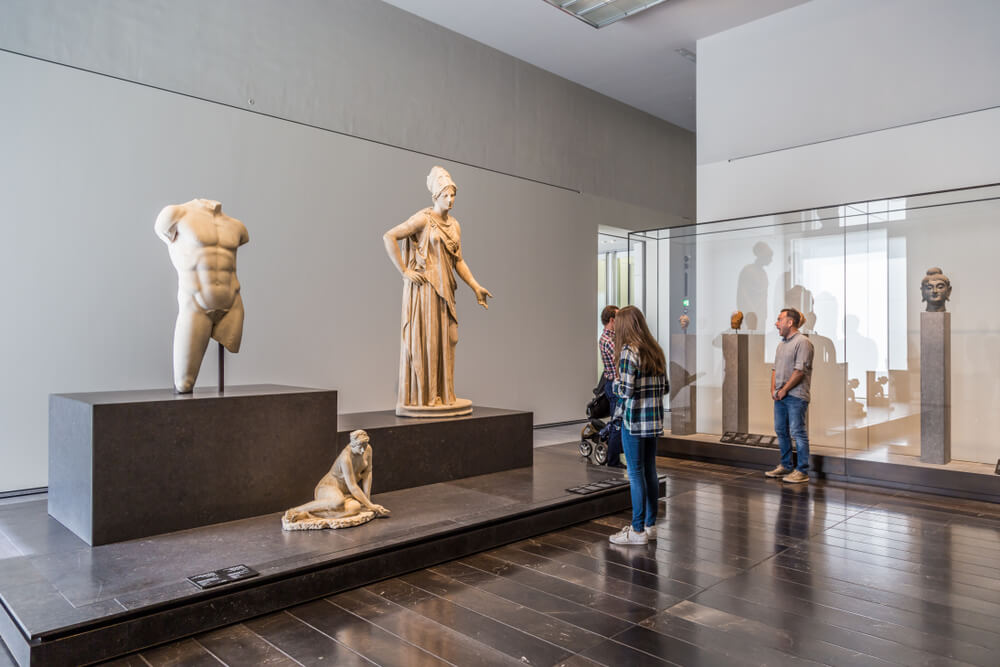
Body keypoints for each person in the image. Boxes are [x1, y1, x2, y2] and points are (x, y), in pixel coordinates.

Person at [383, 167, 493, 417]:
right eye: (446, 195)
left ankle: (443, 395)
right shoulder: (424, 219)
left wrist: (475, 286)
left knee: (449, 340)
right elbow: (389, 236)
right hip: (425, 293)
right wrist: (404, 271)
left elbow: (459, 261)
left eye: (453, 195)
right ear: (436, 195)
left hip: (446, 292)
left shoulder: (454, 226)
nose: (451, 200)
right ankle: (428, 397)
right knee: (428, 343)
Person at [155, 199, 249, 393]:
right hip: (196, 303)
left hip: (232, 303)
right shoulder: (175, 215)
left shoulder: (237, 226)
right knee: (184, 384)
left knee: (187, 384)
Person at [608, 306, 668, 545]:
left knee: (635, 474)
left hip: (633, 421)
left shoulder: (627, 351)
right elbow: (665, 388)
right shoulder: (656, 351)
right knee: (650, 470)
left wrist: (615, 384)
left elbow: (625, 390)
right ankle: (650, 525)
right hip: (654, 421)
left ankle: (637, 530)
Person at [282, 430, 390, 530]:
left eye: (365, 445)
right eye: (359, 446)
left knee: (355, 508)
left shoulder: (368, 449)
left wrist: (367, 501)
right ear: (352, 445)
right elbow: (352, 486)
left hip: (345, 493)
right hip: (328, 488)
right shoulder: (345, 457)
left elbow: (367, 473)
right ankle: (296, 511)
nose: (363, 450)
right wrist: (370, 506)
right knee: (337, 502)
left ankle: (308, 515)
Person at [765, 308, 815, 483]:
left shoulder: (803, 342)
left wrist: (784, 389)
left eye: (779, 319)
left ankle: (802, 471)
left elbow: (800, 371)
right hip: (780, 396)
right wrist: (774, 389)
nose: (776, 323)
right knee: (781, 430)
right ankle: (786, 466)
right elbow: (774, 369)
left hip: (796, 396)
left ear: (790, 322)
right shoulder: (781, 345)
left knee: (797, 432)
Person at [598, 305, 624, 467]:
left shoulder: (612, 338)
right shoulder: (609, 340)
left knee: (618, 421)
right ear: (612, 320)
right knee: (617, 424)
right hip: (614, 386)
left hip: (613, 384)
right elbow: (622, 360)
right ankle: (613, 462)